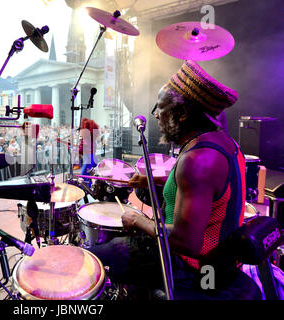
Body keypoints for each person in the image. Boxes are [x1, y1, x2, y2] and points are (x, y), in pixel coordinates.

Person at [89, 60, 260, 300]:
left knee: (92, 258)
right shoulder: (225, 144)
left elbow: (185, 241)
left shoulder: (197, 160)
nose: (156, 115)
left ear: (181, 113)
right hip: (220, 262)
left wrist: (138, 221)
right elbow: (206, 194)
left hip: (193, 269)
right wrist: (153, 182)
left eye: (160, 108)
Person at [79, 118, 100, 186]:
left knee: (82, 179)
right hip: (93, 159)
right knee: (88, 178)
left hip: (88, 160)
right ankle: (88, 192)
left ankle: (85, 193)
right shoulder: (92, 140)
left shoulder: (85, 140)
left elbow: (81, 150)